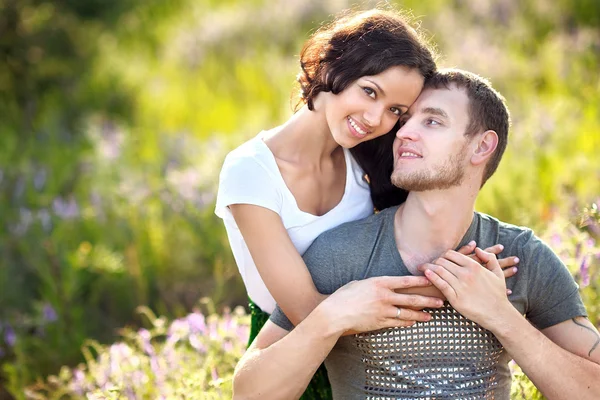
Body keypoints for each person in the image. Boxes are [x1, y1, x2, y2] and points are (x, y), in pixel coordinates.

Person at [231, 69, 600, 400]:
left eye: (432, 122)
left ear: (482, 146)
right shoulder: (340, 254)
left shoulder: (521, 257)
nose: (404, 132)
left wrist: (502, 318)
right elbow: (250, 393)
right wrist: (331, 316)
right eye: (404, 120)